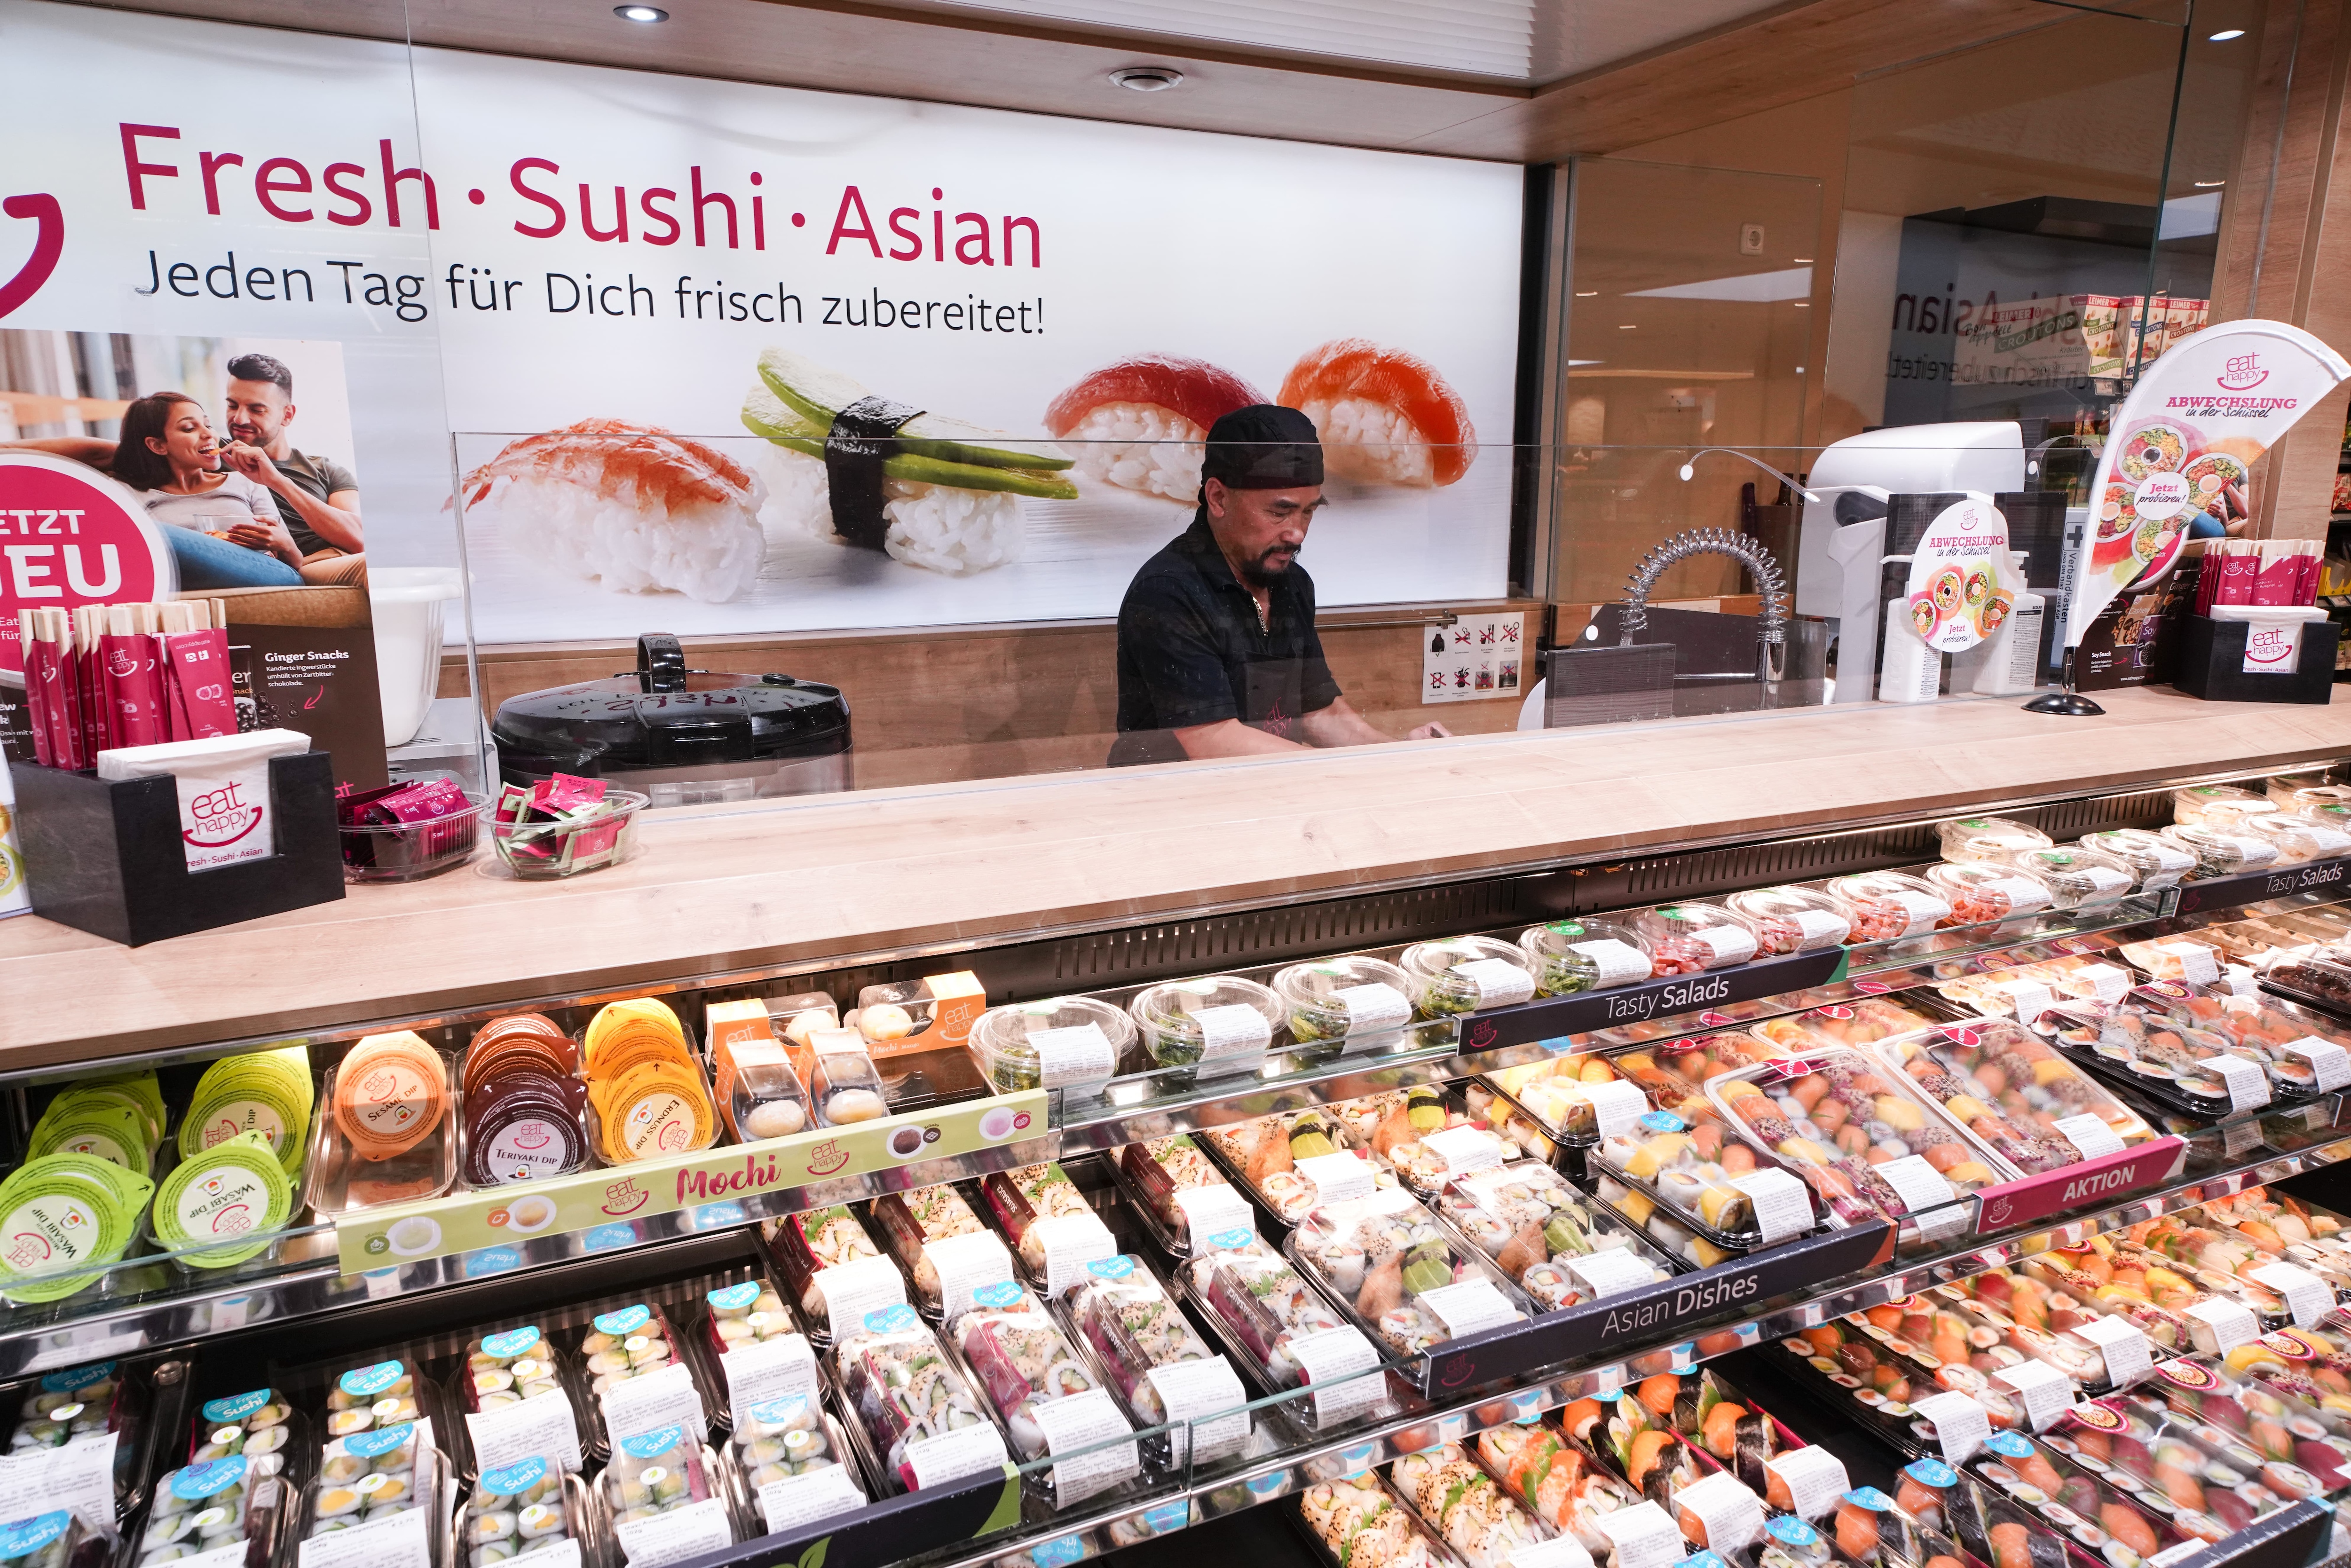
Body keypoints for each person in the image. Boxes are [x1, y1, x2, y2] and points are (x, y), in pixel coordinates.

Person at [1110, 404, 1451, 766]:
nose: (1297, 532)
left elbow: (1319, 711)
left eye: (1309, 511)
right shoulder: (1168, 593)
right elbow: (1214, 741)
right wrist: (1348, 769)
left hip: (1273, 791)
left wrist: (1401, 755)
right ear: (1218, 498)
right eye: (1279, 512)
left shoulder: (1292, 583)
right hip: (1171, 803)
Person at [103, 391, 305, 589]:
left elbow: (295, 566)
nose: (209, 434)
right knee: (146, 533)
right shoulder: (129, 493)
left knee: (149, 532)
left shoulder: (245, 482)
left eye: (208, 425)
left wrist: (285, 544)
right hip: (183, 582)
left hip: (271, 575)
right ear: (157, 445)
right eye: (190, 428)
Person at [218, 352, 367, 585]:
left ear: (287, 415)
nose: (239, 419)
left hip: (326, 568)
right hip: (263, 568)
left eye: (257, 410)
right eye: (232, 405)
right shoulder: (211, 456)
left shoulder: (326, 471)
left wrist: (277, 481)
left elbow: (359, 539)